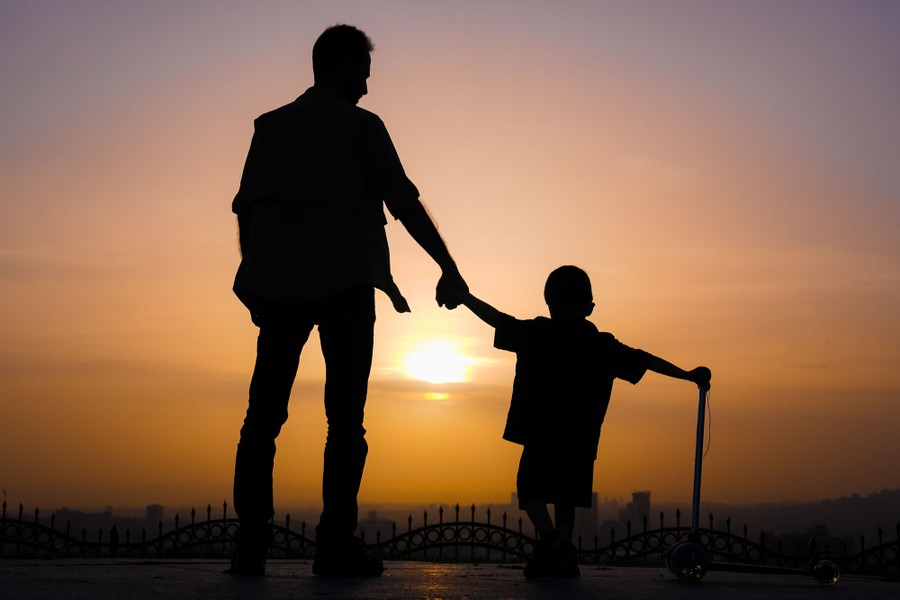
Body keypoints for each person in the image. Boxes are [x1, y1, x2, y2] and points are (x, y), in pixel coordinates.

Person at [229, 24, 467, 577]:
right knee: (345, 422)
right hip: (345, 285)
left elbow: (249, 208)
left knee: (261, 419)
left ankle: (250, 545)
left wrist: (256, 279)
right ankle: (334, 545)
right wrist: (447, 266)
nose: (366, 85)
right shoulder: (361, 126)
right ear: (339, 65)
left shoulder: (270, 126)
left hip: (281, 288)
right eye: (362, 71)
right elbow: (403, 201)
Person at [461, 265, 710, 578]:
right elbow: (645, 359)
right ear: (590, 307)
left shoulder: (537, 333)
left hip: (541, 434)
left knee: (530, 490)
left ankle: (553, 542)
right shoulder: (602, 346)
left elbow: (497, 319)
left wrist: (466, 298)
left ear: (548, 302)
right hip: (581, 438)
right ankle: (561, 552)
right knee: (566, 498)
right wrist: (688, 375)